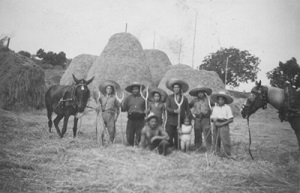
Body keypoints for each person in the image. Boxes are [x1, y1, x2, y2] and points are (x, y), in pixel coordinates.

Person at [165, 78, 192, 149]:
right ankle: (170, 147)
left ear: (180, 89)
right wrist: (174, 111)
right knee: (169, 134)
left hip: (180, 120)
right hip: (171, 120)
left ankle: (178, 147)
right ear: (173, 89)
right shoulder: (169, 97)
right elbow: (167, 107)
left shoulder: (184, 98)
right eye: (175, 87)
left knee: (178, 135)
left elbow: (188, 109)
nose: (176, 89)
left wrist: (189, 119)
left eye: (177, 87)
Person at [210, 91, 234, 157]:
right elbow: (212, 117)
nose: (220, 101)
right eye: (219, 99)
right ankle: (216, 152)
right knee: (215, 138)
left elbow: (231, 119)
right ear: (217, 100)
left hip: (224, 124)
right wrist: (214, 120)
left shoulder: (227, 107)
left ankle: (227, 153)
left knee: (225, 139)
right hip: (216, 124)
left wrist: (222, 124)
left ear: (225, 100)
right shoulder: (215, 108)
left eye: (222, 99)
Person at [122, 82, 146, 146]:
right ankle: (130, 146)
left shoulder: (144, 98)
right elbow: (124, 108)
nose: (135, 90)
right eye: (133, 89)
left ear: (139, 90)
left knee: (140, 133)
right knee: (130, 133)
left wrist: (147, 111)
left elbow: (148, 107)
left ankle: (138, 146)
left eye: (136, 89)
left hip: (140, 119)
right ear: (131, 90)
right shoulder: (128, 98)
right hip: (131, 118)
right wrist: (120, 106)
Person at [189, 86, 213, 151]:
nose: (200, 94)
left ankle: (209, 147)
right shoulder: (194, 100)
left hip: (206, 118)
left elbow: (214, 106)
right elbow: (188, 106)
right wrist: (191, 116)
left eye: (201, 92)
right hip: (197, 118)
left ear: (204, 93)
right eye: (199, 93)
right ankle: (198, 147)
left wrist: (210, 113)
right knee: (197, 131)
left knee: (207, 131)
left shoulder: (208, 100)